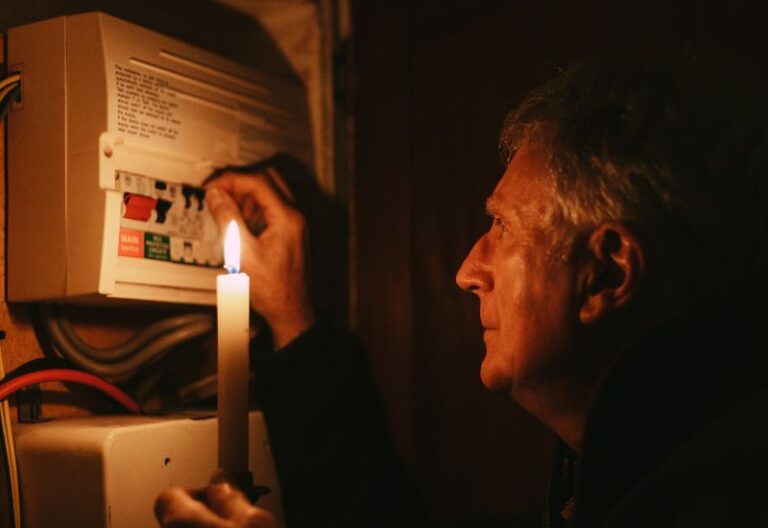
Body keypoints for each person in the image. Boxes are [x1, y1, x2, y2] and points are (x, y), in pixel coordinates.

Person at [156, 55, 768, 527]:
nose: (467, 270)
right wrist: (294, 321)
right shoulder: (623, 476)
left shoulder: (719, 500)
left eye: (500, 226)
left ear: (608, 273)